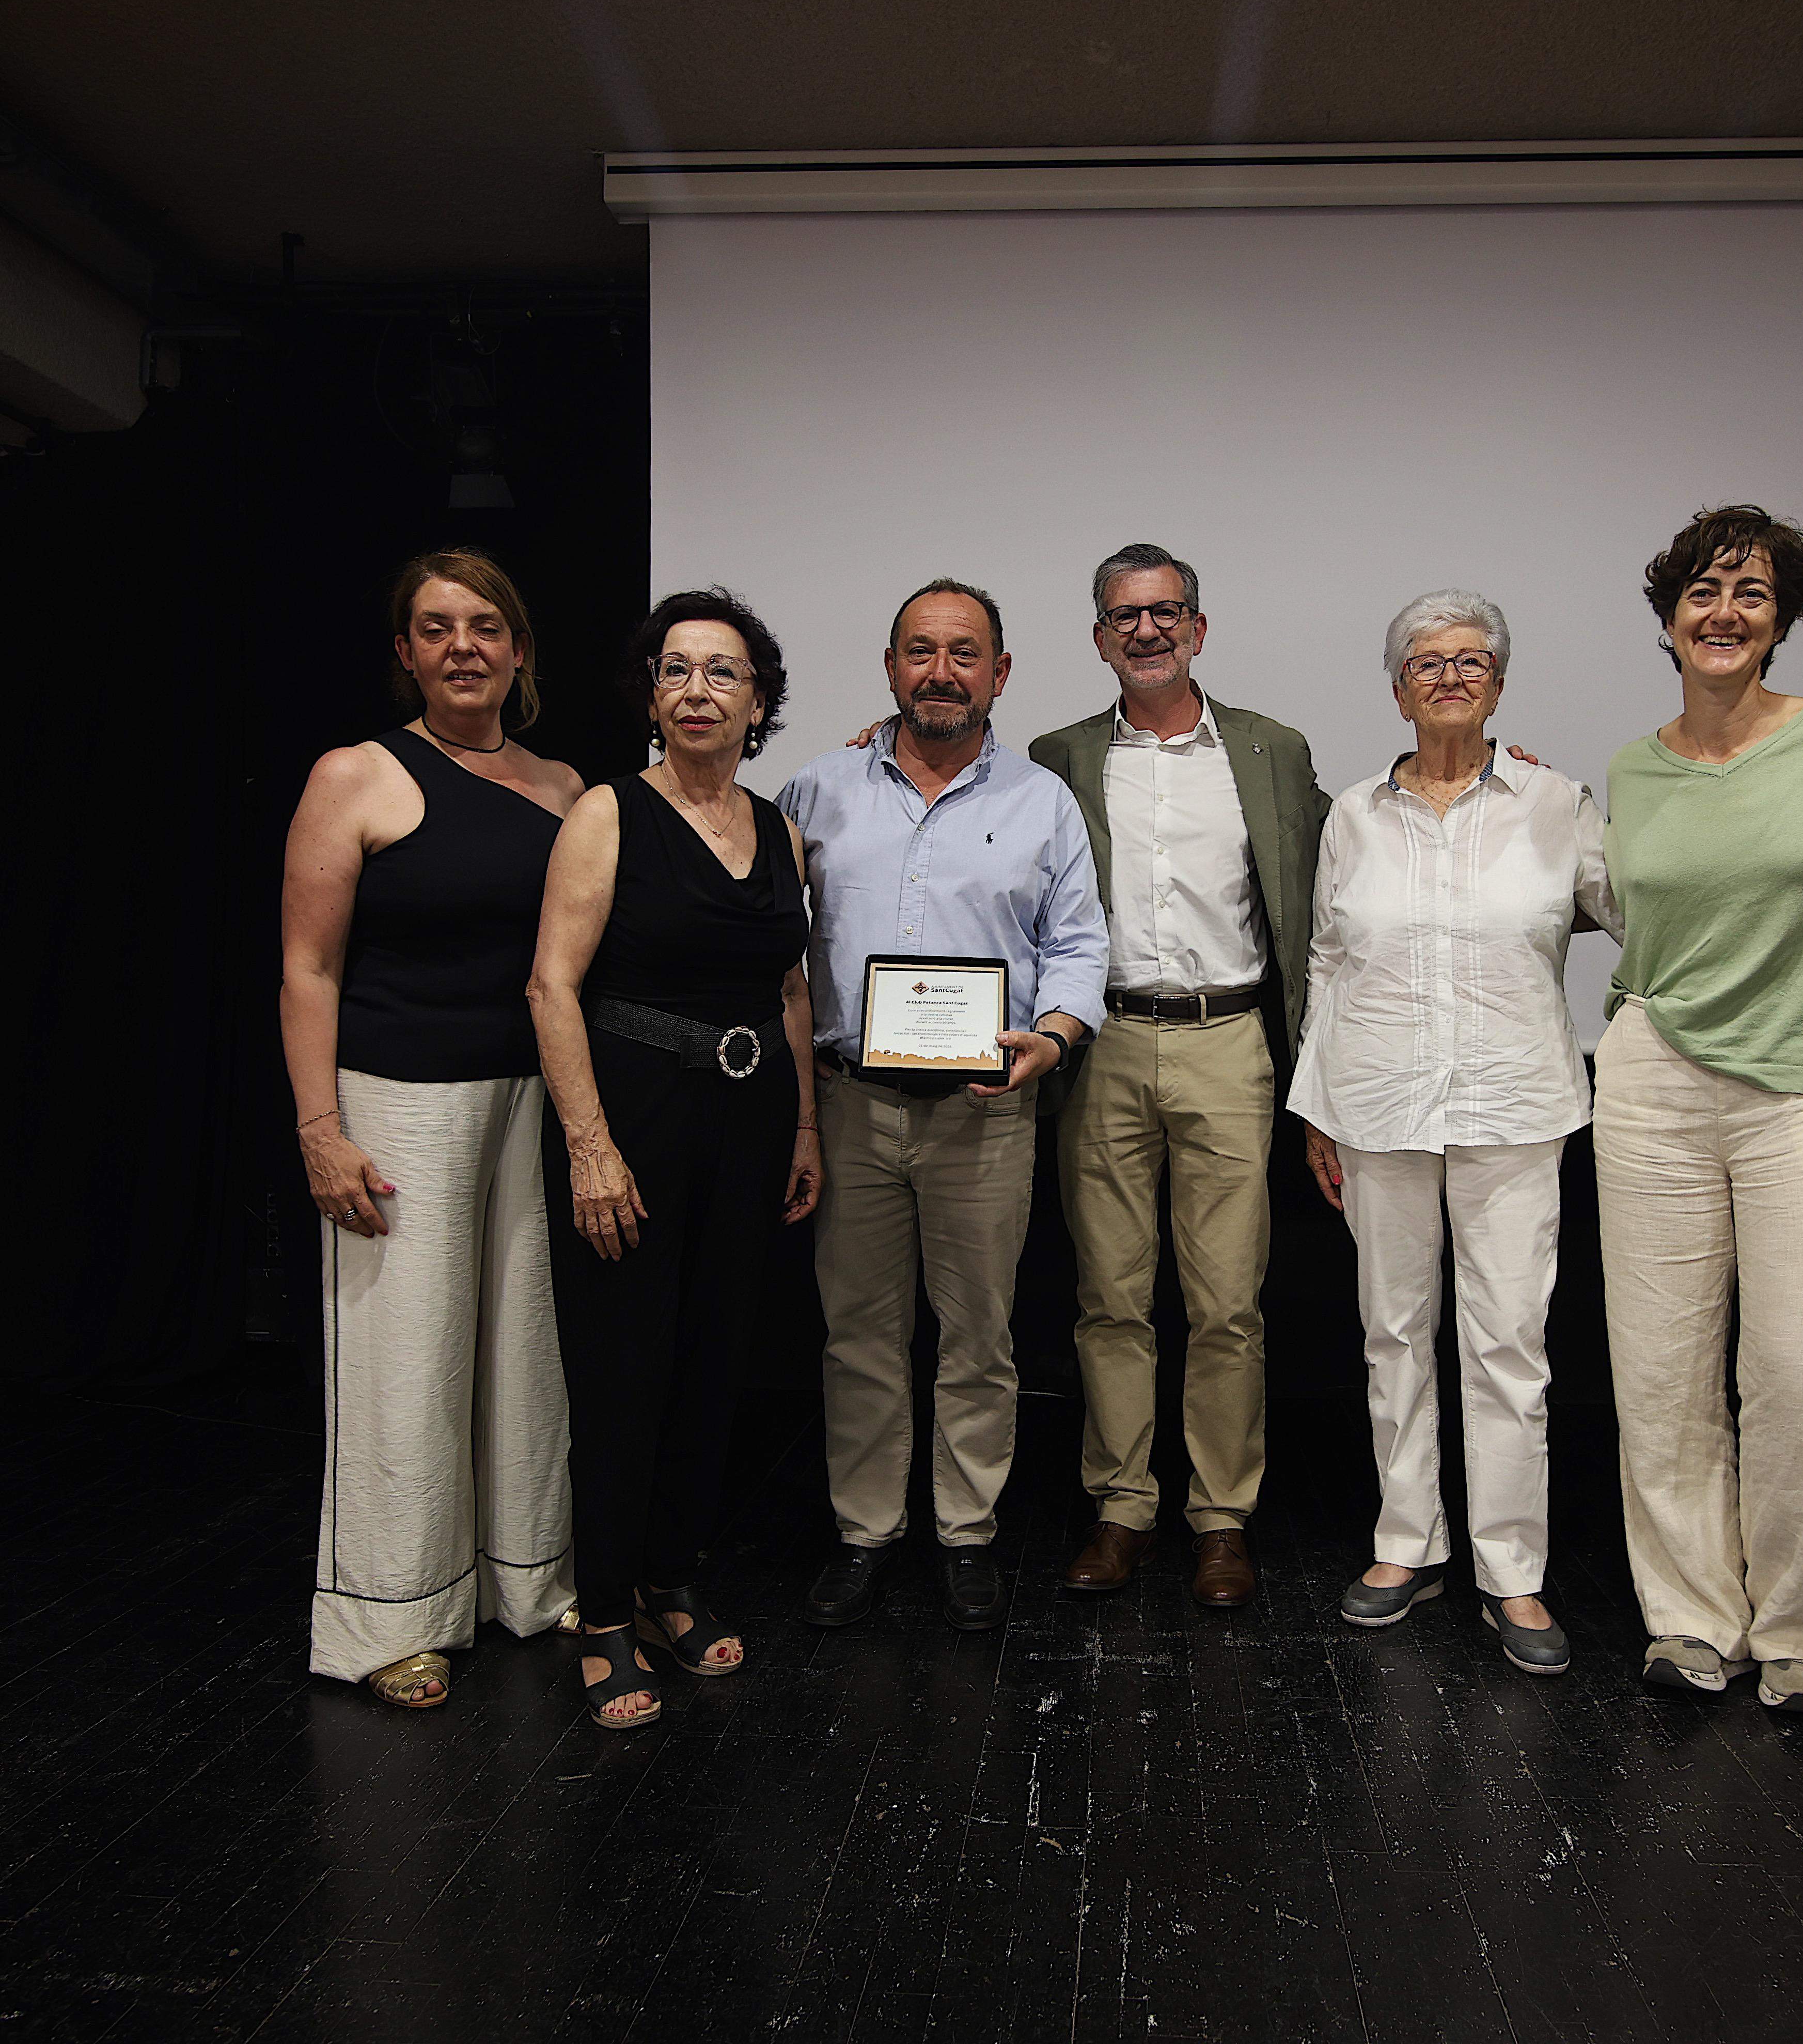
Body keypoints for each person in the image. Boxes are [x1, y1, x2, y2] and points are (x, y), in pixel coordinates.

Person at [1594, 506, 1803, 1719]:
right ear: (1669, 615)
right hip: (1652, 1074)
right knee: (1662, 1372)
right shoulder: (1633, 764)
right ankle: (1689, 1617)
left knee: (1799, 1369)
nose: (1724, 611)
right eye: (1702, 590)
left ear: (1783, 618)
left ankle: (1799, 1629)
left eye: (1752, 592)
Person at [279, 549, 585, 1709]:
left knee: (523, 1354)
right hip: (396, 1102)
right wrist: (322, 1125)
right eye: (437, 626)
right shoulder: (356, 773)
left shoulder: (564, 786)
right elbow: (307, 968)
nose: (465, 645)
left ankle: (524, 1580)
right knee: (405, 1365)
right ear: (405, 651)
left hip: (533, 1101)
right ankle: (389, 1622)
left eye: (486, 625)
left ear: (519, 649)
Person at [1291, 590, 1617, 1675]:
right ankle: (1406, 1541)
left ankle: (1511, 1570)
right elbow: (1329, 964)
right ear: (1396, 688)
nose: (1448, 675)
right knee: (1392, 1331)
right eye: (1426, 662)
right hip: (1377, 1101)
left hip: (1515, 1104)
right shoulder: (1352, 815)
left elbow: (1638, 916)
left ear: (1499, 683)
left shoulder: (1557, 802)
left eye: (1470, 659)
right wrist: (1315, 1106)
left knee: (1510, 1345)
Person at [781, 580, 1108, 1634]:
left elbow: (1078, 945)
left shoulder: (1042, 801)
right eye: (920, 650)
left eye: (965, 652)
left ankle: (966, 1529)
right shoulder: (815, 792)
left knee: (980, 1333)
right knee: (860, 1331)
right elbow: (776, 942)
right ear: (890, 667)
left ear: (999, 674)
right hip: (851, 1106)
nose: (941, 671)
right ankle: (867, 1529)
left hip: (987, 1108)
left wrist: (1051, 1040)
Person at [527, 588, 820, 1728]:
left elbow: (789, 986)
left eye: (724, 673)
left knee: (712, 1365)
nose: (699, 690)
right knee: (624, 1367)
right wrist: (590, 1147)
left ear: (759, 703)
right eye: (678, 670)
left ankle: (670, 1585)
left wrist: (803, 1127)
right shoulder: (608, 813)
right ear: (652, 695)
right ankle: (602, 1612)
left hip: (752, 1119)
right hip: (637, 1119)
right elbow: (553, 984)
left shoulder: (779, 828)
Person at [1029, 543, 1328, 1609]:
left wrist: (1479, 774)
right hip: (1100, 1043)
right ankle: (1120, 1507)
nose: (1146, 630)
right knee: (1109, 1297)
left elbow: (1350, 862)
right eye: (1124, 615)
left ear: (1198, 627)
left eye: (1166, 612)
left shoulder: (1270, 750)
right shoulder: (1055, 754)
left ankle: (1220, 1518)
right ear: (1101, 636)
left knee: (1227, 1302)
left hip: (1229, 1043)